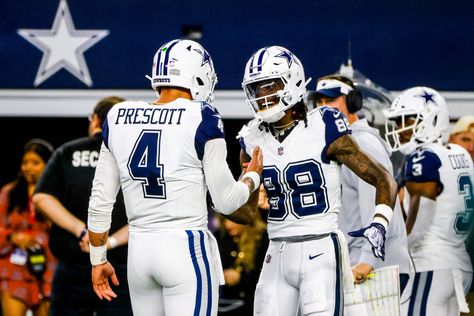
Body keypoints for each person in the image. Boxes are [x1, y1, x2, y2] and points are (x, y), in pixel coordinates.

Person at [86, 39, 263, 316]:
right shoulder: (201, 115)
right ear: (198, 75)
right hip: (185, 248)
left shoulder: (117, 116)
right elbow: (227, 202)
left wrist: (98, 259)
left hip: (140, 254)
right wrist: (251, 177)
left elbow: (99, 201)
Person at [237, 46, 397, 315]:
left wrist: (379, 223)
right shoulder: (252, 138)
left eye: (269, 86)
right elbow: (245, 214)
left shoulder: (324, 125)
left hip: (321, 248)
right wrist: (240, 188)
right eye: (257, 88)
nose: (263, 95)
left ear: (292, 81)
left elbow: (384, 179)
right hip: (276, 250)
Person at [32, 97, 133, 316]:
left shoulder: (68, 152)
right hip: (120, 268)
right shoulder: (136, 157)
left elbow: (42, 198)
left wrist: (82, 231)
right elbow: (149, 214)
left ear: (95, 119)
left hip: (75, 262)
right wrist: (108, 243)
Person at [315, 75, 412, 294]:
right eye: (318, 102)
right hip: (362, 263)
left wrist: (367, 259)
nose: (323, 108)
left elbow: (376, 202)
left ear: (353, 103)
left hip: (374, 267)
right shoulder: (340, 144)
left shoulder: (363, 144)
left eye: (330, 100)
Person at [384, 87, 473, 315]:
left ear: (429, 119)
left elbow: (420, 219)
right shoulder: (460, 154)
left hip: (431, 262)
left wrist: (396, 247)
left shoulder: (423, 157)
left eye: (406, 121)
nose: (399, 129)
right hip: (459, 261)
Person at [0, 139, 55, 316]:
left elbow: (64, 232)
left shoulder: (56, 194)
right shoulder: (9, 193)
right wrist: (13, 237)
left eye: (35, 163)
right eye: (25, 162)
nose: (28, 168)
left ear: (48, 165)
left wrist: (43, 205)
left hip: (47, 270)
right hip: (14, 271)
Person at [215, 185, 269, 315]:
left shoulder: (263, 237)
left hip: (253, 302)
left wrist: (241, 278)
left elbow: (267, 274)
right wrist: (223, 274)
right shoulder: (219, 236)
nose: (228, 225)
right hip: (224, 302)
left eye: (233, 220)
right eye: (224, 220)